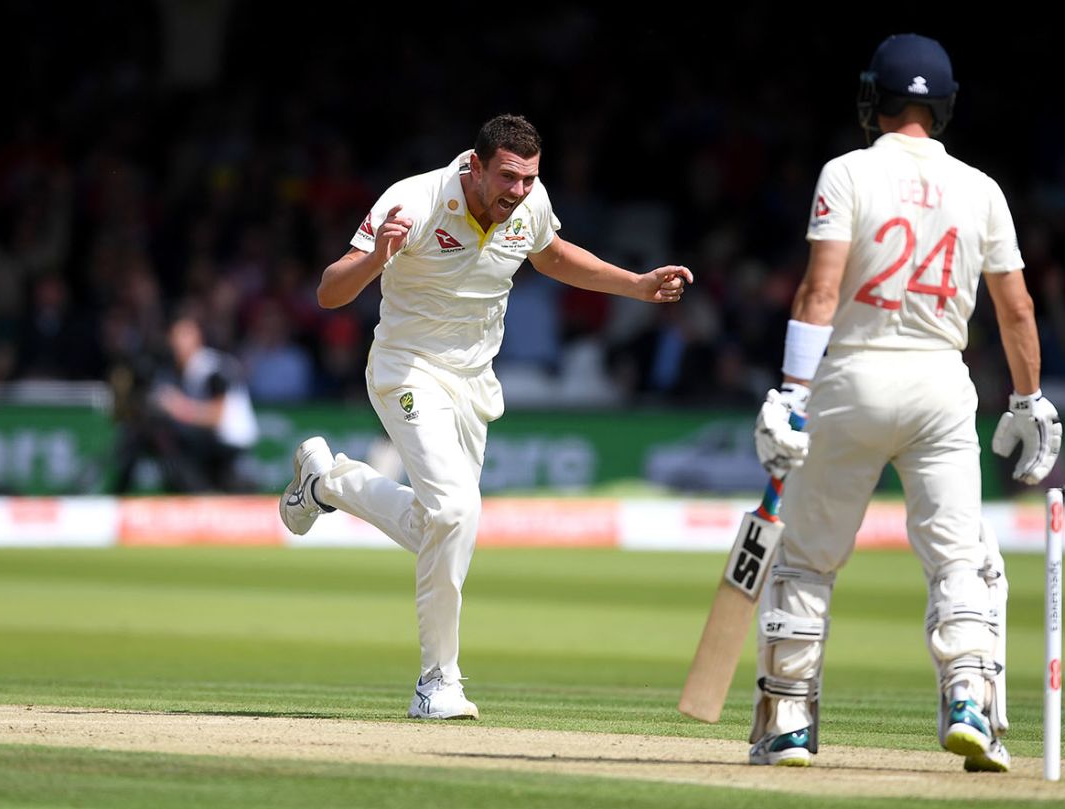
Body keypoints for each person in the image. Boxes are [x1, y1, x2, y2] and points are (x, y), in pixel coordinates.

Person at [277, 114, 692, 720]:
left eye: (529, 180)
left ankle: (326, 482)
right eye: (507, 178)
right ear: (475, 166)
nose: (518, 192)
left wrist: (636, 286)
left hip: (475, 384)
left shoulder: (530, 201)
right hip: (407, 369)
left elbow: (550, 256)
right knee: (455, 512)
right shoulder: (414, 199)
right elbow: (328, 292)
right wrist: (376, 260)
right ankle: (437, 682)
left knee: (441, 526)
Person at [750, 34, 1061, 770]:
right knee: (959, 558)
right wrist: (1028, 399)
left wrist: (791, 394)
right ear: (943, 106)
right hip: (940, 386)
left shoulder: (847, 172)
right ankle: (969, 704)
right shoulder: (981, 187)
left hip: (854, 376)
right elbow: (1016, 310)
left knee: (807, 558)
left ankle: (789, 721)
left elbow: (819, 292)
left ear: (872, 99)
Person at [113, 310, 259, 492]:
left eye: (185, 335)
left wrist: (177, 407)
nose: (179, 342)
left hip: (228, 444)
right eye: (175, 336)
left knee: (163, 434)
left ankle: (199, 496)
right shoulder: (178, 370)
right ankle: (121, 493)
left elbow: (217, 417)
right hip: (207, 442)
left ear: (198, 337)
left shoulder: (212, 368)